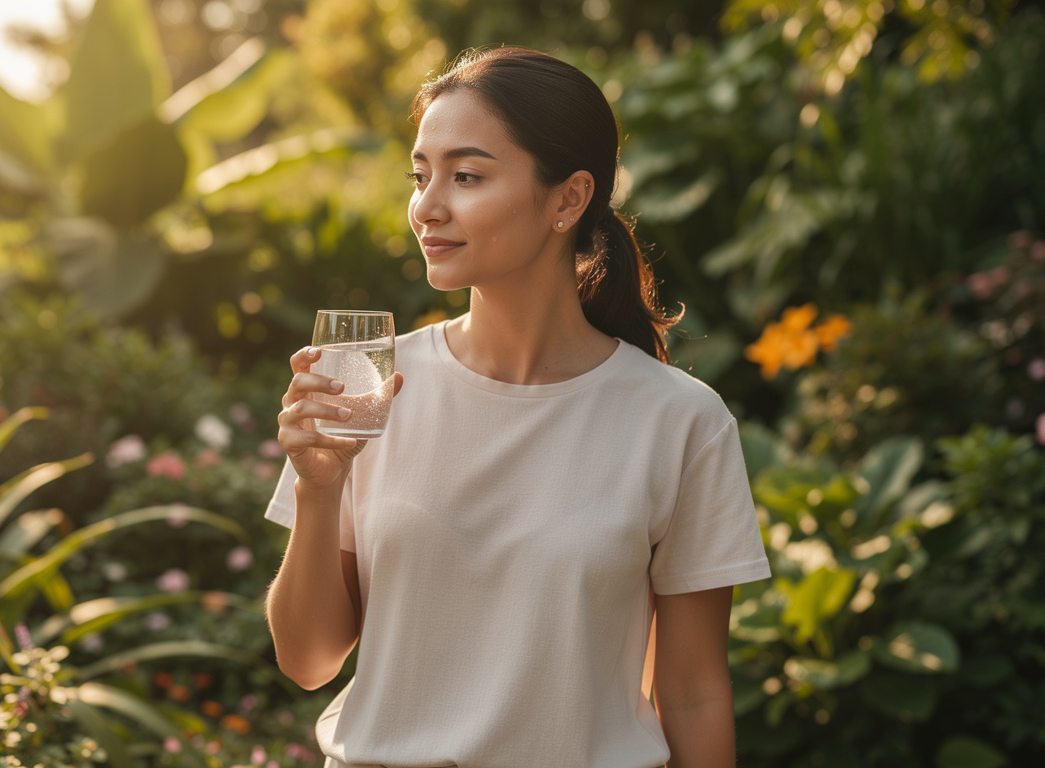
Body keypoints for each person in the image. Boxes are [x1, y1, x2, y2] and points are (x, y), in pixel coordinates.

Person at [264, 46, 771, 768]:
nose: (427, 207)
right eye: (419, 175)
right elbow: (307, 660)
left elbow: (691, 693)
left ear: (568, 199)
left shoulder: (679, 420)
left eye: (466, 176)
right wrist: (320, 491)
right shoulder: (371, 386)